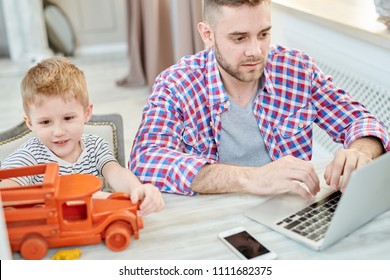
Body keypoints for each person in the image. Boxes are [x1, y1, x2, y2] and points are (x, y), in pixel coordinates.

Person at [129, 0, 389, 198]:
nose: (255, 51)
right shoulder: (176, 84)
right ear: (207, 35)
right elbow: (145, 159)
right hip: (212, 218)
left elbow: (361, 121)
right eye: (239, 38)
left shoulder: (297, 69)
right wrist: (251, 179)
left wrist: (359, 152)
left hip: (288, 211)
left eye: (263, 34)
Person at [0, 56, 164, 216]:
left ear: (87, 113)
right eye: (45, 122)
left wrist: (138, 190)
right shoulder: (29, 156)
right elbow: (7, 193)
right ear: (30, 123)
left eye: (68, 118)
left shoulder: (96, 146)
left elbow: (116, 172)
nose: (58, 131)